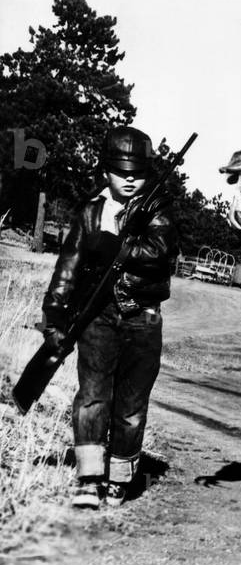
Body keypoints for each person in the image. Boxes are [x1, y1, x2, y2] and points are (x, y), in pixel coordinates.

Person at [42, 127, 178, 510]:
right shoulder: (89, 212)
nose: (130, 177)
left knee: (132, 405)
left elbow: (160, 249)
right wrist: (54, 312)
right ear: (105, 171)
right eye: (121, 170)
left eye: (137, 170)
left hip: (143, 318)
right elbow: (68, 266)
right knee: (91, 396)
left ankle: (119, 479)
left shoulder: (158, 207)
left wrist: (116, 241)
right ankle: (88, 478)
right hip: (98, 317)